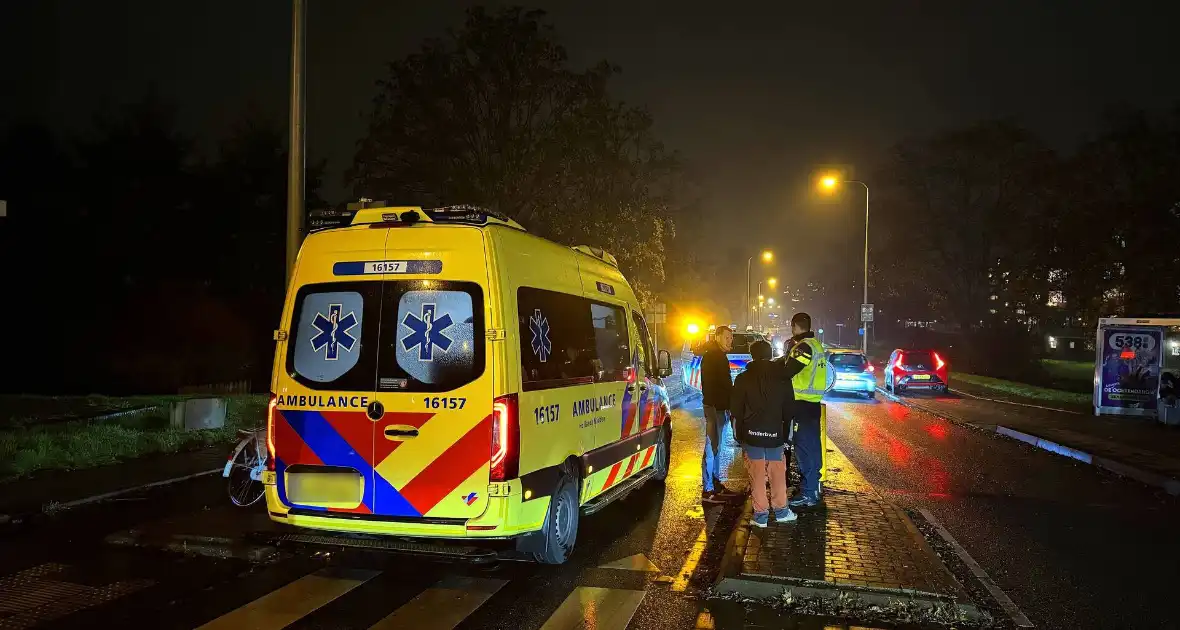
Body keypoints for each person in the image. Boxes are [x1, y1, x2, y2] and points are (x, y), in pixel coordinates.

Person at [731, 339, 797, 527]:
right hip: (775, 434)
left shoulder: (743, 378)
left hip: (751, 435)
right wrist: (785, 433)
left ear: (752, 356)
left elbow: (735, 409)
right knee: (777, 473)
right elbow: (789, 409)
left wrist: (739, 434)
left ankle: (760, 516)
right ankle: (782, 511)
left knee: (757, 475)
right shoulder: (783, 379)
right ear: (770, 355)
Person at [779, 312, 831, 509]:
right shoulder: (816, 345)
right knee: (813, 448)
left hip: (802, 404)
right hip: (812, 404)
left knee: (804, 449)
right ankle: (813, 489)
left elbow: (787, 372)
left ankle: (809, 494)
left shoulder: (803, 348)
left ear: (794, 326)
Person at [700, 325, 737, 501]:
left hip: (719, 407)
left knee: (717, 446)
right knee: (712, 446)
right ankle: (708, 489)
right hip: (715, 407)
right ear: (717, 337)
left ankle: (715, 484)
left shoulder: (718, 355)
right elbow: (719, 385)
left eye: (731, 338)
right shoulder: (714, 356)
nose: (731, 340)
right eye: (727, 337)